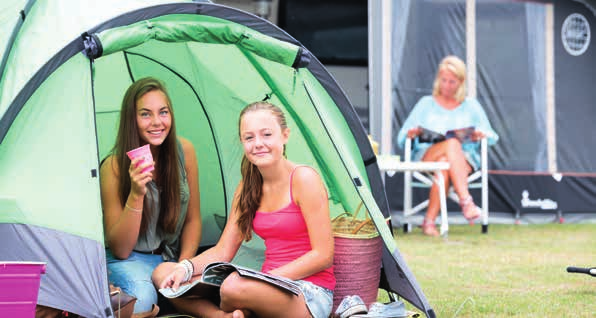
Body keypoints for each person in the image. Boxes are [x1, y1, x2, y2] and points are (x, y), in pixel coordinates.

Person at [153, 101, 335, 318]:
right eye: (249, 138)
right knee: (163, 273)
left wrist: (264, 280)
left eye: (266, 134)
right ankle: (227, 316)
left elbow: (323, 255)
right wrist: (185, 268)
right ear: (242, 142)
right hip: (261, 286)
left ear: (285, 136)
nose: (258, 144)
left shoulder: (304, 179)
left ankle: (243, 308)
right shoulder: (248, 187)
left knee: (233, 287)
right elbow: (223, 251)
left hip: (307, 292)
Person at [100, 77, 201, 315]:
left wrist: (184, 267)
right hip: (128, 260)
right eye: (145, 114)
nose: (157, 122)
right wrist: (136, 193)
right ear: (131, 120)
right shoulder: (113, 166)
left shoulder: (184, 151)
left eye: (163, 112)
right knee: (142, 299)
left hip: (168, 257)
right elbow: (121, 250)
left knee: (202, 289)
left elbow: (193, 220)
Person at [396, 55, 498, 237]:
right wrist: (412, 133)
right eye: (443, 80)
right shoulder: (425, 104)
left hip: (463, 160)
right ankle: (466, 201)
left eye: (452, 82)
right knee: (451, 143)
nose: (447, 86)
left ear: (461, 82)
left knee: (444, 164)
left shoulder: (471, 106)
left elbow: (491, 137)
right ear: (438, 80)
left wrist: (480, 135)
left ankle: (428, 222)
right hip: (428, 155)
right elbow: (402, 138)